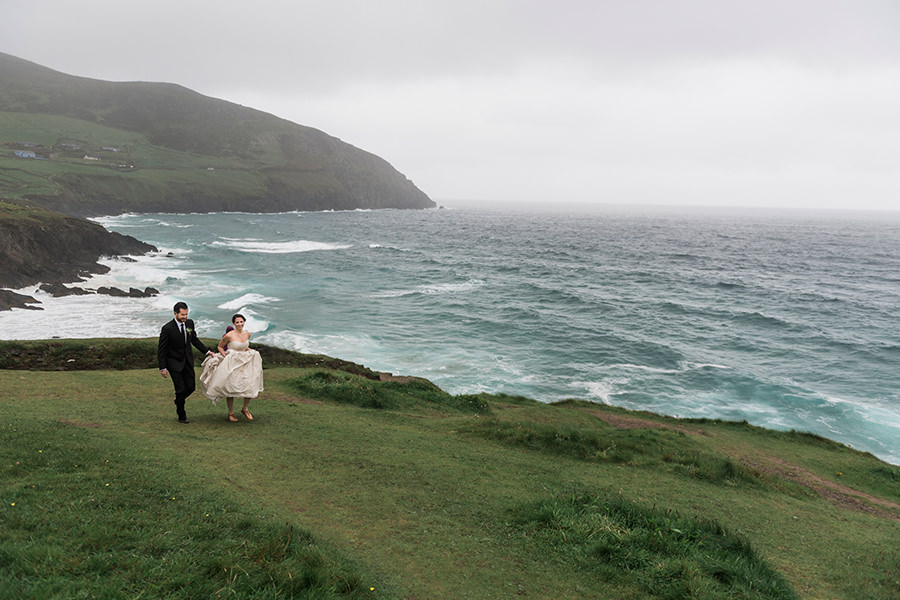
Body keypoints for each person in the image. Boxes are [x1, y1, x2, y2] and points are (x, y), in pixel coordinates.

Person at [199, 313, 264, 422]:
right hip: (232, 361)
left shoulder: (247, 334)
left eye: (241, 321)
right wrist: (225, 356)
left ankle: (245, 409)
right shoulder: (229, 335)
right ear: (233, 323)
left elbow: (244, 346)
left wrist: (250, 350)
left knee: (250, 383)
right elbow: (220, 347)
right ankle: (231, 413)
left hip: (245, 361)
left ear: (244, 322)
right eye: (237, 322)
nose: (239, 324)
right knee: (230, 385)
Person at [158, 301, 214, 423]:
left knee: (190, 387)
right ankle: (181, 416)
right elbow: (161, 350)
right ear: (175, 313)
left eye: (186, 314)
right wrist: (163, 367)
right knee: (180, 389)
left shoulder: (189, 323)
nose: (185, 317)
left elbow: (194, 340)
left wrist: (207, 351)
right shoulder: (167, 328)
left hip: (188, 361)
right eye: (182, 315)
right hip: (174, 363)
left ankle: (178, 400)